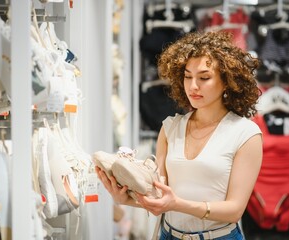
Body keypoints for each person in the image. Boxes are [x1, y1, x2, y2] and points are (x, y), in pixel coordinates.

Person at [96, 31, 263, 240]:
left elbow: (234, 210)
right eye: (187, 76)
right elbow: (160, 197)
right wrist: (126, 199)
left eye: (204, 77)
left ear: (227, 81)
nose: (193, 86)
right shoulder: (170, 128)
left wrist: (178, 204)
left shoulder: (245, 134)